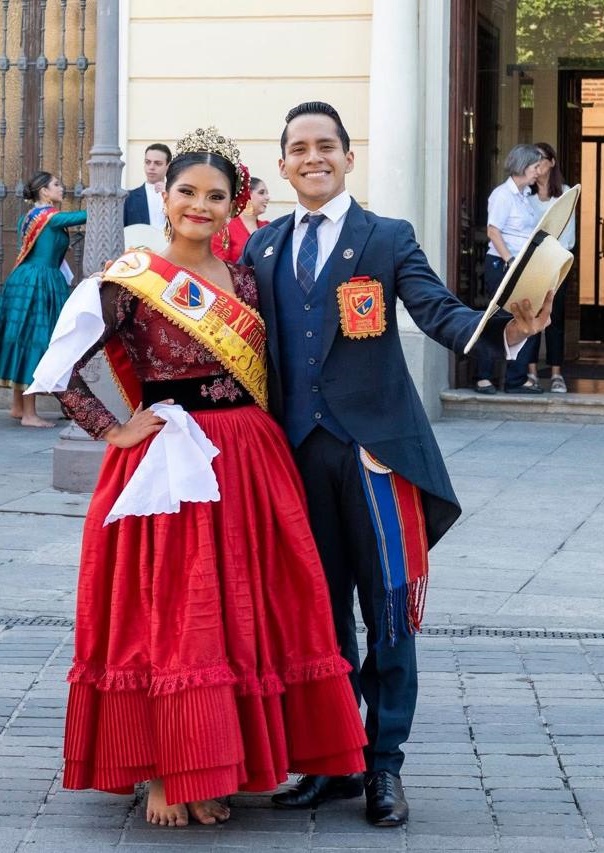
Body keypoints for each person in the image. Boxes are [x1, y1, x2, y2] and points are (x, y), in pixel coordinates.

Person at [34, 126, 366, 828]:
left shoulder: (248, 278)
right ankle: (166, 768)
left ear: (233, 203)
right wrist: (114, 429)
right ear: (166, 195)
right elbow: (59, 368)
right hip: (170, 460)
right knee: (171, 609)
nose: (200, 206)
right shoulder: (131, 278)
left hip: (248, 458)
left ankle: (219, 762)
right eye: (187, 191)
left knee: (244, 609)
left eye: (216, 196)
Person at [241, 102, 554, 827]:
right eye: (299, 148)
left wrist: (506, 330)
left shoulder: (387, 237)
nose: (313, 157)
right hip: (297, 457)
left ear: (348, 158)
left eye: (326, 145)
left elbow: (438, 310)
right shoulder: (261, 248)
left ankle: (384, 764)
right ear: (283, 164)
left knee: (387, 612)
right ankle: (333, 759)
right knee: (319, 615)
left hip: (376, 458)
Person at [0, 171, 86, 427]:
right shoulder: (51, 217)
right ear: (44, 191)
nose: (62, 188)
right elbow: (84, 216)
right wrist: (107, 200)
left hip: (23, 280)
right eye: (56, 185)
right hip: (40, 282)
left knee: (23, 338)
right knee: (37, 341)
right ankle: (29, 414)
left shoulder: (28, 217)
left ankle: (18, 406)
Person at [474, 143, 544, 394]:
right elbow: (493, 231)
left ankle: (516, 379)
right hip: (503, 265)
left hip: (520, 268)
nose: (539, 172)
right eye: (536, 167)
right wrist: (510, 260)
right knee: (498, 319)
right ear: (523, 166)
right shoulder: (502, 195)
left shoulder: (524, 197)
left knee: (526, 318)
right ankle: (483, 377)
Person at [526, 142, 576, 393]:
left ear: (552, 162)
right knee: (532, 318)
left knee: (554, 319)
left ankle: (556, 374)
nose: (537, 164)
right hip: (533, 266)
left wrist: (554, 258)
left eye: (541, 159)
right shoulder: (526, 196)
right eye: (533, 159)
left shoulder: (565, 193)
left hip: (557, 264)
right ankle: (532, 373)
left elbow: (568, 236)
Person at [211, 176, 270, 262]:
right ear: (247, 195)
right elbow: (218, 262)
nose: (267, 197)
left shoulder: (268, 227)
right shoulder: (224, 227)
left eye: (267, 193)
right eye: (261, 193)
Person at [123, 143, 172, 227]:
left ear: (168, 166)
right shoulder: (128, 198)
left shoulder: (175, 195)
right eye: (148, 162)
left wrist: (170, 194)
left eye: (158, 163)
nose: (151, 167)